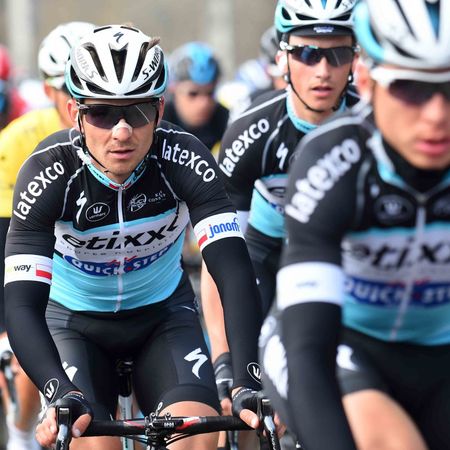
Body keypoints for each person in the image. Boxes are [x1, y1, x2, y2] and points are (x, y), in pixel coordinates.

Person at [3, 25, 264, 450]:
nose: (122, 131)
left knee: (196, 439)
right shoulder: (48, 172)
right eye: (102, 113)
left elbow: (234, 272)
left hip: (163, 317)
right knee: (88, 438)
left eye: (137, 111)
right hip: (74, 323)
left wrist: (246, 379)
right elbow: (20, 303)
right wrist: (57, 391)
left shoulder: (185, 158)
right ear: (75, 113)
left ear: (159, 109)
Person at [260, 0, 450, 449]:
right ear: (366, 82)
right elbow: (309, 350)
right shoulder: (335, 158)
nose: (437, 114)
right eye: (410, 88)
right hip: (343, 344)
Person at [202, 0, 360, 407]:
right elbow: (220, 256)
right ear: (281, 59)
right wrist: (223, 359)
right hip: (265, 254)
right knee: (244, 399)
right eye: (307, 54)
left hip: (346, 258)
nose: (322, 70)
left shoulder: (373, 121)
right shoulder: (252, 131)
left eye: (338, 54)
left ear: (355, 59)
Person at [0, 21, 95, 450]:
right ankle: (20, 435)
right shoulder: (19, 140)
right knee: (26, 365)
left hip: (99, 278)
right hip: (36, 271)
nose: (79, 96)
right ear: (47, 89)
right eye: (66, 86)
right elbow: (7, 238)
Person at [164, 42, 229, 156]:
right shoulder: (158, 121)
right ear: (173, 89)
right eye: (193, 94)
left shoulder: (224, 118)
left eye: (210, 93)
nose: (204, 103)